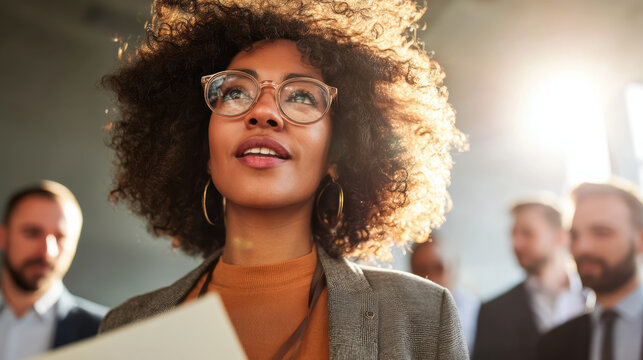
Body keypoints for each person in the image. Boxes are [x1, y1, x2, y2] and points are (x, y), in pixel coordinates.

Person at [97, 0, 468, 358]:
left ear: (337, 156)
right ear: (203, 151)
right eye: (236, 91)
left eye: (302, 96)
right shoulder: (126, 328)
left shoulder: (421, 315)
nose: (263, 112)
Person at [0, 181, 107, 360]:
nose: (47, 252)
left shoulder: (106, 332)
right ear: (3, 236)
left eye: (61, 237)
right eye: (32, 233)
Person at [474, 200, 592, 360]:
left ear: (560, 237)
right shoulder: (493, 312)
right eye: (513, 234)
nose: (516, 244)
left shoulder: (595, 300)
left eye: (527, 233)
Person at [537, 181, 643, 360]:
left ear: (640, 240)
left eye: (601, 233)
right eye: (575, 235)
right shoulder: (554, 344)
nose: (582, 247)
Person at [410, 235, 481, 354]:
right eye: (421, 269)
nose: (430, 278)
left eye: (439, 268)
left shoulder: (477, 315)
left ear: (455, 269)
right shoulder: (398, 319)